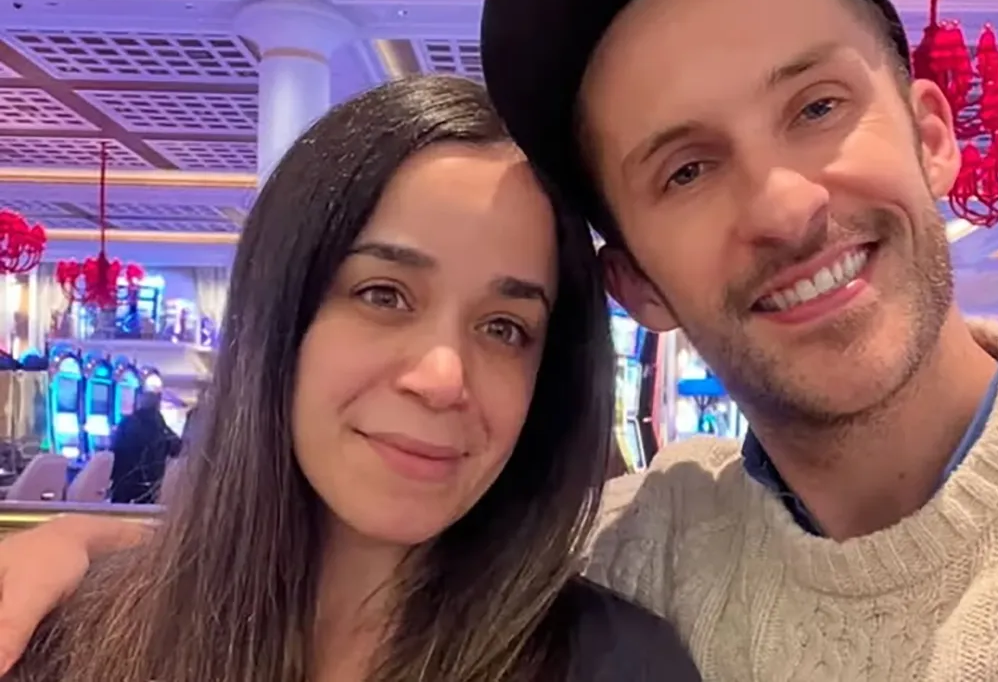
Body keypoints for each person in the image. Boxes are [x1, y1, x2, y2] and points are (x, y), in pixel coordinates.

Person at [1, 0, 998, 678]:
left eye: (818, 104)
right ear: (632, 282)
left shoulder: (614, 637)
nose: (786, 204)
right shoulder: (651, 541)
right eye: (686, 168)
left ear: (934, 134)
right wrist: (82, 558)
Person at [0, 75, 698, 682]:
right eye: (384, 295)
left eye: (504, 328)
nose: (442, 376)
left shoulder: (615, 664)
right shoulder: (65, 637)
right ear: (283, 314)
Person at [108, 387, 182, 504]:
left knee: (118, 511)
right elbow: (177, 448)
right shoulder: (160, 426)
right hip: (150, 483)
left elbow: (113, 450)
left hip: (123, 482)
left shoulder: (126, 423)